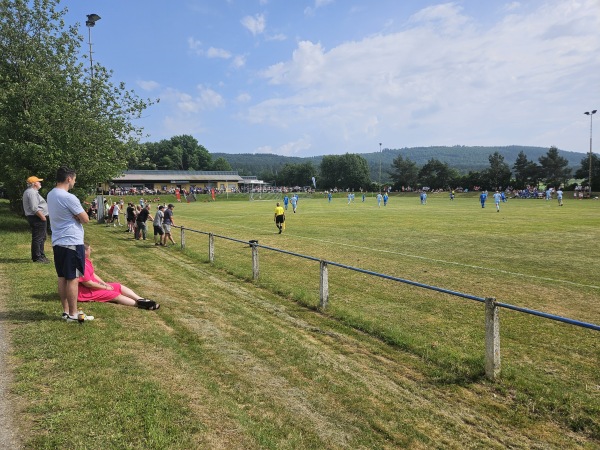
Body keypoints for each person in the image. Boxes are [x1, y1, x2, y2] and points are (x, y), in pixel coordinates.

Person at [47, 166, 93, 322]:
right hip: (72, 241)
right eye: (74, 179)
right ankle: (73, 314)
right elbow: (85, 219)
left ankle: (66, 311)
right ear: (69, 178)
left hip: (58, 241)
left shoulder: (51, 194)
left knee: (62, 277)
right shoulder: (69, 197)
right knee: (72, 278)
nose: (74, 182)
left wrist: (74, 215)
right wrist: (77, 216)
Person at [78, 243, 159, 310]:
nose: (91, 250)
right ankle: (141, 305)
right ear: (84, 252)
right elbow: (88, 284)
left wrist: (104, 283)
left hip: (94, 286)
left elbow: (93, 274)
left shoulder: (86, 260)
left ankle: (140, 299)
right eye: (89, 249)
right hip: (86, 292)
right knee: (115, 296)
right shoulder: (80, 265)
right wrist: (105, 288)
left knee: (118, 286)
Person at [22, 175, 50, 263]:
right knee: (38, 238)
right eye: (38, 181)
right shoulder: (31, 193)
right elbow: (34, 208)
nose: (40, 183)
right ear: (34, 183)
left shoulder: (32, 192)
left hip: (38, 217)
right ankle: (37, 257)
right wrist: (43, 217)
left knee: (42, 237)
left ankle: (41, 255)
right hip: (37, 217)